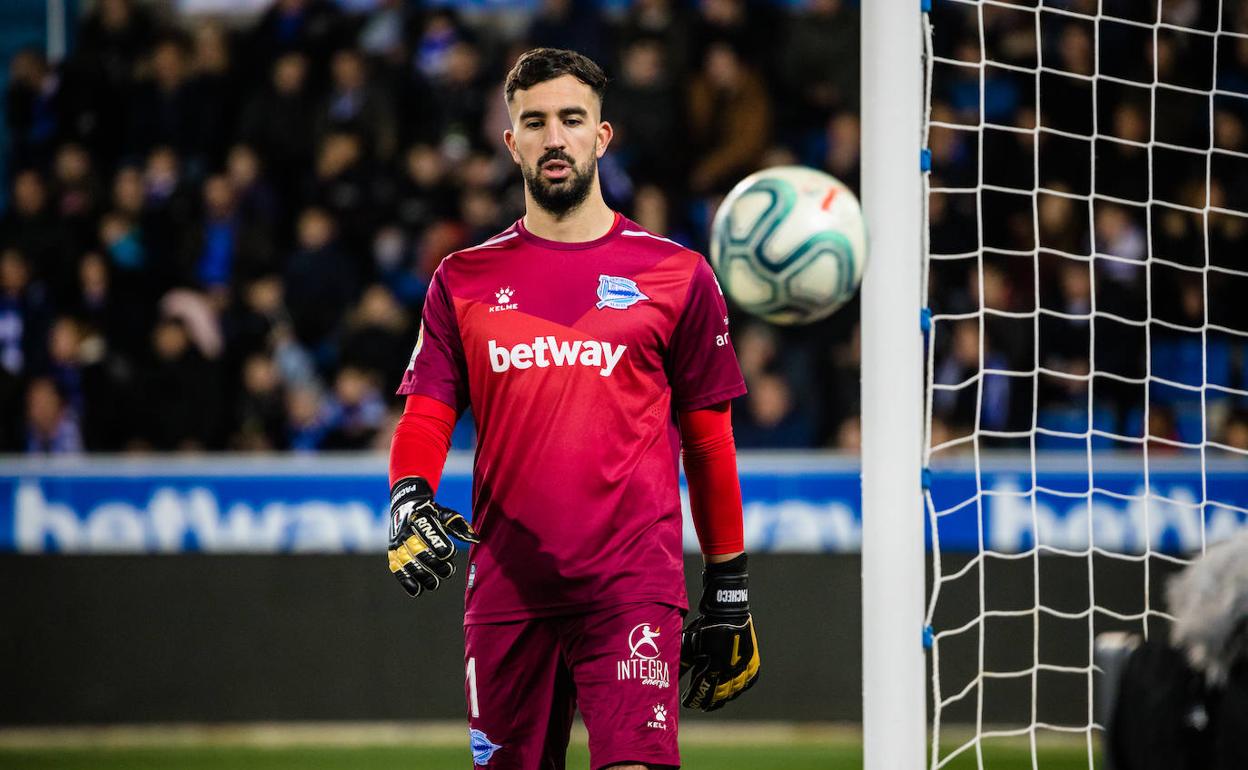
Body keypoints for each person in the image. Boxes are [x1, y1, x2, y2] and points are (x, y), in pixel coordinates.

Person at [385, 48, 759, 770]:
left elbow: (709, 444)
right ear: (511, 141)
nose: (554, 137)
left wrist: (731, 586)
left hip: (632, 585)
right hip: (507, 587)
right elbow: (427, 413)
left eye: (571, 119)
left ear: (601, 135)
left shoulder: (678, 275)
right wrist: (408, 497)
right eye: (535, 122)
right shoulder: (461, 279)